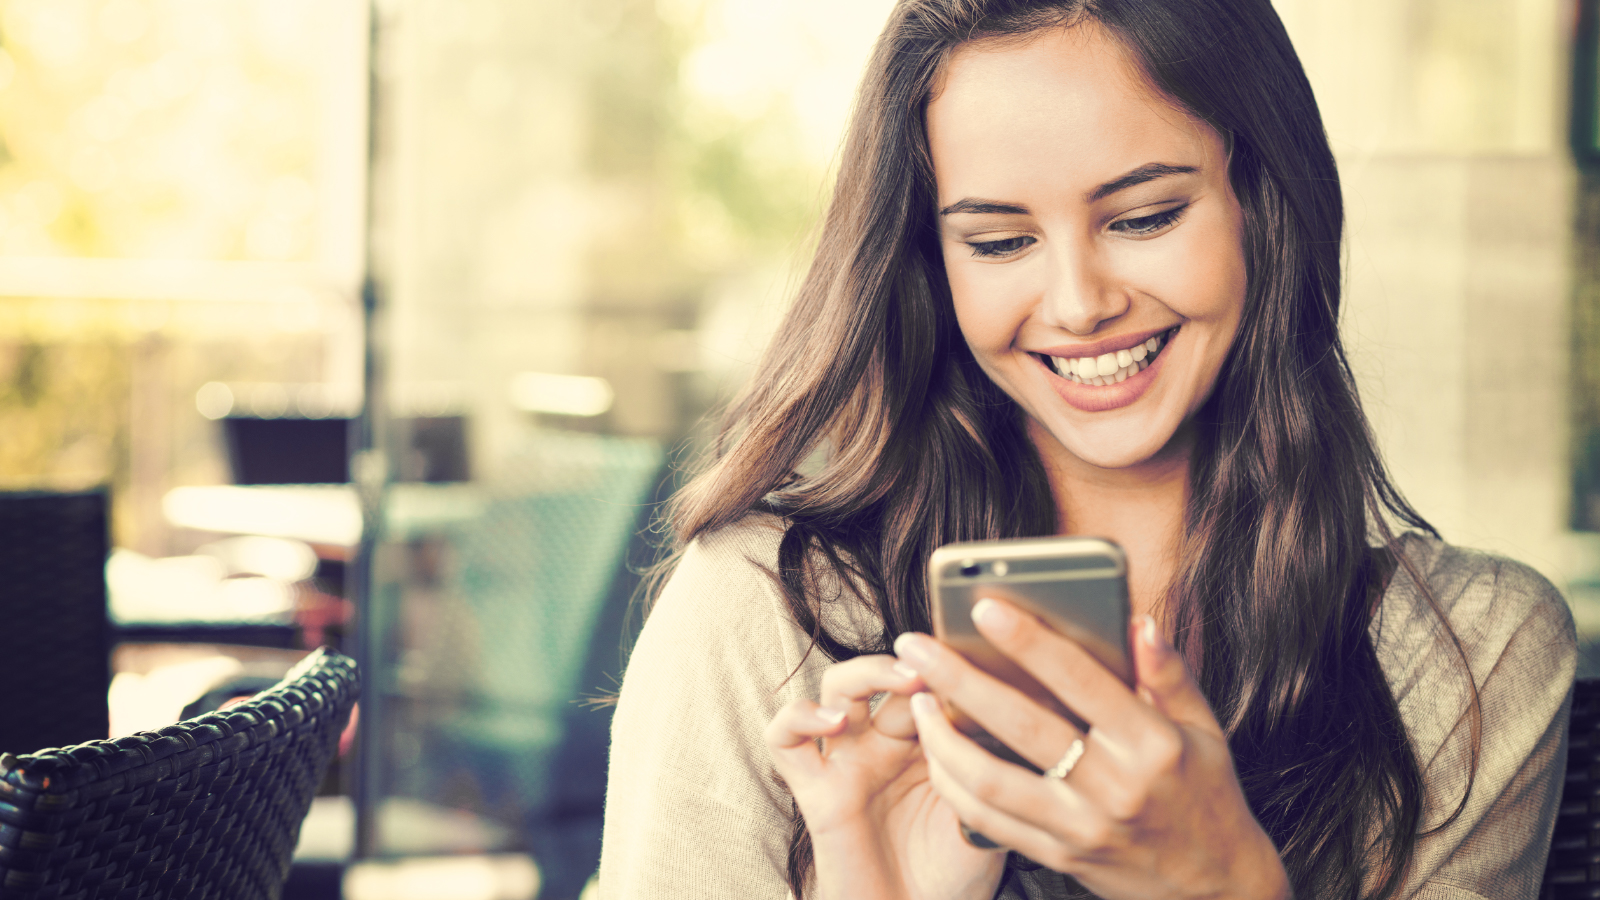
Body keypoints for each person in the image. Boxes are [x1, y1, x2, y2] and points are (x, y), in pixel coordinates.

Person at [598, 0, 1578, 897]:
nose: (1077, 304)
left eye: (1145, 217)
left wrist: (1222, 882)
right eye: (997, 242)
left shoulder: (1468, 656)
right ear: (932, 264)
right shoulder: (759, 613)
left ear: (1267, 202)